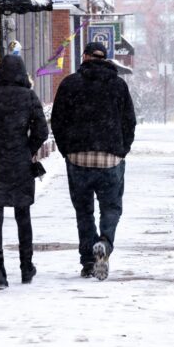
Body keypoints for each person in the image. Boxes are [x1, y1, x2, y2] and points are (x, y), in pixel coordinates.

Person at [50, 42, 136, 281]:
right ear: (105, 59)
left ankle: (88, 261)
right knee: (111, 208)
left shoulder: (70, 84)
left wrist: (68, 149)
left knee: (84, 212)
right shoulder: (118, 85)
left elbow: (57, 120)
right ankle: (105, 243)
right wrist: (122, 150)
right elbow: (129, 121)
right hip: (110, 159)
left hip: (78, 158)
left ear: (85, 57)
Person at [0, 55, 48, 290]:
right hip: (20, 164)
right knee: (23, 217)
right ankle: (26, 266)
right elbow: (42, 130)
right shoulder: (29, 96)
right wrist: (28, 149)